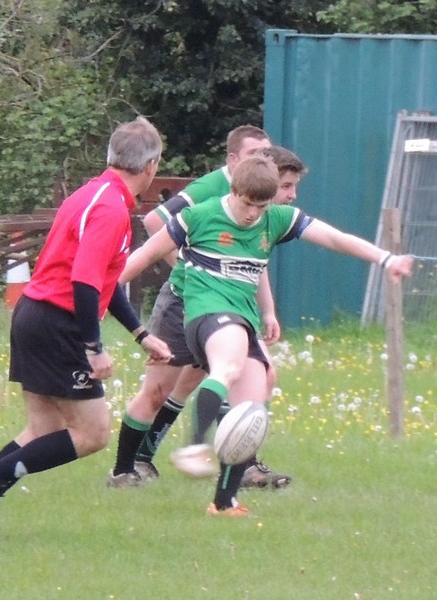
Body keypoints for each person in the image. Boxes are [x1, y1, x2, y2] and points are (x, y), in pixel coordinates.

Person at [119, 154, 413, 516]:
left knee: (251, 406)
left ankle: (224, 502)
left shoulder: (275, 219)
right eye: (247, 204)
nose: (252, 215)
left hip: (242, 318)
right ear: (234, 190)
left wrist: (386, 259)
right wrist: (97, 299)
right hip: (205, 313)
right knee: (225, 366)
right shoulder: (198, 216)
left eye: (261, 206)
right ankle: (193, 445)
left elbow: (335, 239)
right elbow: (142, 257)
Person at [0, 117, 171, 538]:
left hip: (35, 315)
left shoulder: (93, 193)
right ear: (152, 167)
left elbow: (103, 281)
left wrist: (140, 334)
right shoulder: (110, 209)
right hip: (57, 324)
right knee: (93, 434)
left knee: (42, 431)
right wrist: (93, 346)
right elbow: (84, 280)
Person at [107, 144, 306, 489]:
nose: (291, 195)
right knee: (161, 390)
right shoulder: (214, 190)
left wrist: (268, 310)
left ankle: (239, 467)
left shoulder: (263, 212)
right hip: (185, 300)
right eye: (287, 187)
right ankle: (128, 467)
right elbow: (157, 221)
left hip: (229, 308)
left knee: (250, 378)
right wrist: (194, 265)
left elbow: (251, 262)